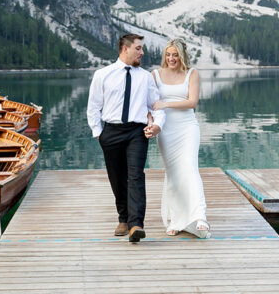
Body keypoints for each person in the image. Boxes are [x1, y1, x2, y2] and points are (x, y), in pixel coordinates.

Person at [87, 33, 165, 242]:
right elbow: (94, 106)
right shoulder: (102, 75)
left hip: (136, 133)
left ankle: (136, 224)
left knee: (136, 176)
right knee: (117, 176)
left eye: (142, 48)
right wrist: (98, 133)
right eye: (138, 48)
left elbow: (155, 106)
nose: (142, 52)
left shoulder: (146, 77)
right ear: (125, 49)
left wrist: (157, 124)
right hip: (111, 131)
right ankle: (123, 217)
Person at [151, 38, 210, 239]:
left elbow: (192, 102)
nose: (171, 58)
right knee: (174, 173)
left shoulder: (192, 74)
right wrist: (152, 123)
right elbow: (150, 104)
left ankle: (199, 216)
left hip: (187, 127)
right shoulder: (155, 75)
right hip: (166, 129)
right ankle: (175, 220)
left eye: (175, 54)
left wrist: (166, 104)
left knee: (190, 168)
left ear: (182, 56)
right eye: (168, 54)